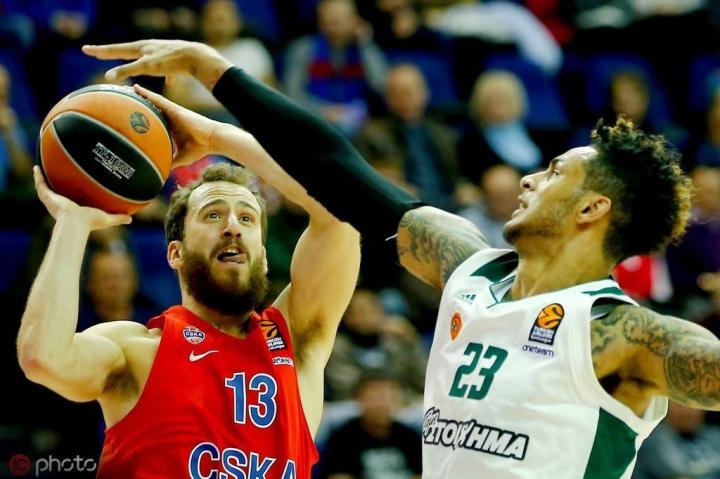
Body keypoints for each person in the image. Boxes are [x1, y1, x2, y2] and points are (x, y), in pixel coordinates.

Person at [84, 39, 720, 479]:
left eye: (554, 173)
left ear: (592, 209)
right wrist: (216, 93)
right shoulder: (468, 269)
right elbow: (339, 170)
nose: (530, 177)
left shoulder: (623, 333)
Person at [17, 83, 361, 477]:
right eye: (213, 214)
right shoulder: (136, 350)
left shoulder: (297, 342)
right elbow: (42, 357)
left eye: (247, 218)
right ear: (175, 253)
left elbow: (342, 207)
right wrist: (73, 223)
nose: (232, 226)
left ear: (264, 258)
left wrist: (218, 137)